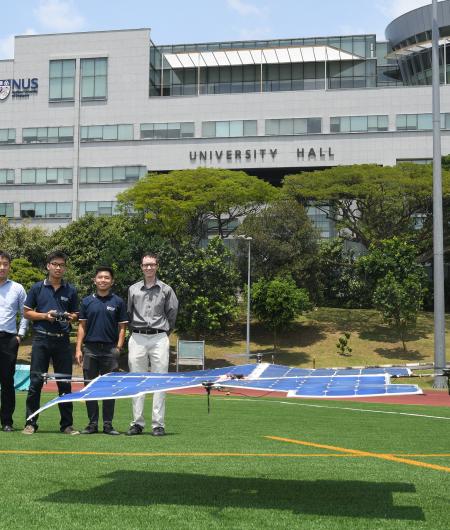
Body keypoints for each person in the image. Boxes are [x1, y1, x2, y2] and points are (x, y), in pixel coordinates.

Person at [23, 251, 79, 435]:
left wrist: (69, 316)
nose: (58, 268)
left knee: (65, 383)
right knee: (35, 382)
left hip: (62, 341)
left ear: (65, 268)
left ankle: (67, 425)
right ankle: (30, 423)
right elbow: (27, 312)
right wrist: (45, 316)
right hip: (41, 338)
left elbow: (76, 315)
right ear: (48, 266)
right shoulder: (37, 288)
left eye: (61, 265)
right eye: (55, 264)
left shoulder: (71, 290)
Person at [126, 252, 178, 436]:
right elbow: (129, 313)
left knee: (160, 380)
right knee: (136, 380)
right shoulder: (133, 289)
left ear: (157, 266)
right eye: (145, 265)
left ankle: (158, 424)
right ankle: (137, 423)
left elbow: (172, 313)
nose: (149, 267)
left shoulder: (166, 289)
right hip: (137, 337)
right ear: (141, 267)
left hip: (159, 337)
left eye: (152, 264)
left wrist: (164, 332)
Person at [75, 266, 128, 435]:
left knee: (109, 389)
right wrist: (78, 348)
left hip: (110, 350)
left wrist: (118, 347)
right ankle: (92, 424)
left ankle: (108, 425)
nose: (103, 280)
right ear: (94, 280)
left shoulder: (118, 302)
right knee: (90, 387)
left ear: (112, 281)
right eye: (100, 277)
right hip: (90, 349)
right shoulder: (86, 301)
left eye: (107, 277)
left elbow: (122, 327)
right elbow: (82, 326)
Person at [0, 251, 28, 432]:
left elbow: (25, 313)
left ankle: (7, 421)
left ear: (10, 266)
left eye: (5, 264)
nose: (2, 267)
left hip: (8, 339)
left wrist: (20, 335)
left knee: (7, 381)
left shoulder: (17, 288)